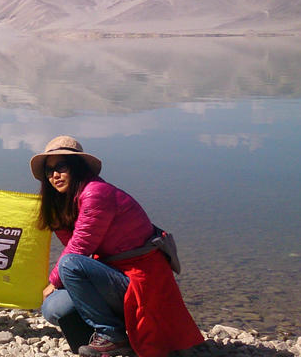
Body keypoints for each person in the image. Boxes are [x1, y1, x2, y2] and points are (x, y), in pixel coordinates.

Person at [32, 135, 203, 357]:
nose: (55, 175)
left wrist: (53, 281)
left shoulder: (96, 193)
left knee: (68, 265)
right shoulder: (66, 200)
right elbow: (73, 246)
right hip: (115, 273)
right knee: (53, 308)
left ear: (77, 167)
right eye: (49, 170)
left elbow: (80, 247)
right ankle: (111, 331)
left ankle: (112, 335)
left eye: (61, 167)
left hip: (140, 280)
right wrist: (58, 218)